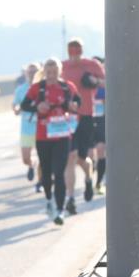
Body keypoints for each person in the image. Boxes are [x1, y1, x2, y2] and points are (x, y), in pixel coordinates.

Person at [20, 58, 81, 225]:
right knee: (46, 172)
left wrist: (73, 105)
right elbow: (25, 104)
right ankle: (48, 199)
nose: (52, 75)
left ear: (59, 72)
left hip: (62, 136)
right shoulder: (37, 88)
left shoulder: (66, 87)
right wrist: (37, 107)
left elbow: (78, 101)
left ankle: (60, 210)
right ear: (44, 72)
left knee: (58, 172)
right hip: (43, 136)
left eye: (55, 72)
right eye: (49, 72)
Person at [61, 38, 105, 213]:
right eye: (72, 51)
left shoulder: (91, 65)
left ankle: (88, 178)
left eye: (77, 50)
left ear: (81, 50)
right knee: (69, 158)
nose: (74, 55)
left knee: (82, 158)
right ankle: (70, 198)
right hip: (68, 119)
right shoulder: (62, 66)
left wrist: (94, 81)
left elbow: (105, 82)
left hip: (86, 115)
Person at [13, 62, 41, 189]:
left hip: (41, 127)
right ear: (26, 73)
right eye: (30, 72)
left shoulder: (43, 87)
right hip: (27, 127)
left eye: (35, 72)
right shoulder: (20, 89)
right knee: (25, 158)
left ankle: (40, 182)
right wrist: (16, 108)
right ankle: (31, 165)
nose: (32, 74)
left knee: (43, 158)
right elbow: (15, 104)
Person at [91, 56, 107, 193]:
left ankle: (98, 183)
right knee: (89, 155)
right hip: (88, 120)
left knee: (101, 150)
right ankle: (89, 180)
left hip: (102, 119)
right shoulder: (83, 82)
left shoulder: (106, 82)